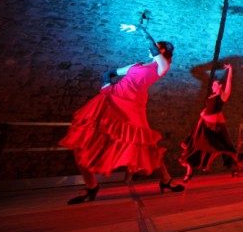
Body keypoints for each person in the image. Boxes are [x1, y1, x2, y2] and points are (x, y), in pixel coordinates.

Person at [59, 24, 185, 205]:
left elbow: (152, 49)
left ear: (163, 50)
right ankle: (90, 186)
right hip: (112, 101)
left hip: (132, 107)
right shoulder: (138, 65)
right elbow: (108, 73)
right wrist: (106, 86)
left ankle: (166, 180)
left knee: (146, 145)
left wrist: (141, 29)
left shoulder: (162, 67)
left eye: (158, 47)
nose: (153, 49)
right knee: (83, 139)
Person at [179, 64, 243, 181]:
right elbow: (206, 109)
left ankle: (235, 168)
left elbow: (229, 85)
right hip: (204, 126)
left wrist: (230, 70)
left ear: (220, 86)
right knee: (195, 147)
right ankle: (188, 173)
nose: (212, 86)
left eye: (214, 85)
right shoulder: (211, 96)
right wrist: (202, 115)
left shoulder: (222, 97)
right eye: (212, 85)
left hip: (214, 128)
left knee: (225, 148)